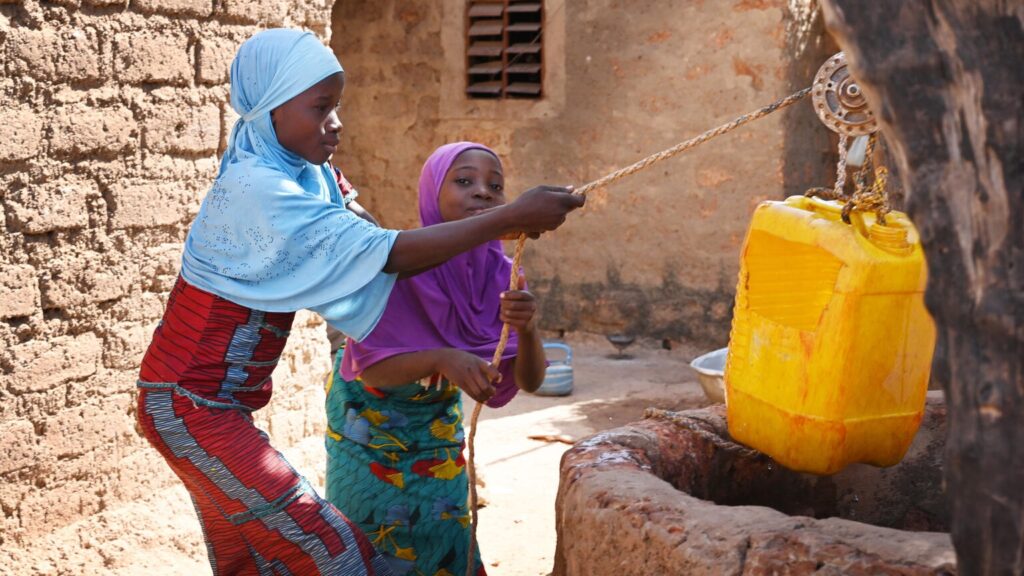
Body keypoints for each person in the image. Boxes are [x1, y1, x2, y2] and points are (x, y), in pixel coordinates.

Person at [134, 30, 582, 576]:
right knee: (333, 552)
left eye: (337, 106)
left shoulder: (312, 176)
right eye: (321, 107)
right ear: (271, 109)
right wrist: (509, 218)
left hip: (219, 407)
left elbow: (369, 234)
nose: (336, 122)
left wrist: (488, 236)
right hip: (189, 407)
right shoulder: (259, 191)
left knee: (244, 556)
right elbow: (382, 252)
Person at [324, 142, 547, 576]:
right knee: (369, 538)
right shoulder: (402, 262)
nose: (482, 192)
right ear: (431, 191)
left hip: (435, 427)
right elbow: (371, 366)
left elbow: (531, 381)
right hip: (366, 426)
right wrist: (443, 359)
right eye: (464, 181)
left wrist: (529, 328)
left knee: (445, 534)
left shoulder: (503, 274)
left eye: (495, 186)